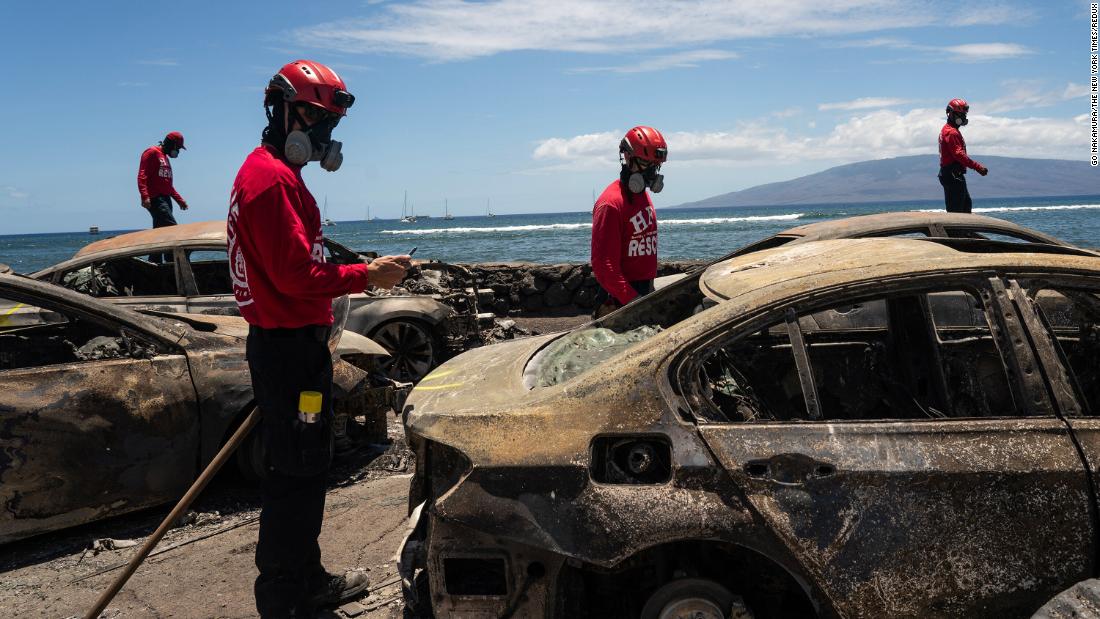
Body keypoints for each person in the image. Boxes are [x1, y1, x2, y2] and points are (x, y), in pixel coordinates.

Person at [226, 59, 411, 619]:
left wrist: (353, 265)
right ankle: (289, 594)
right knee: (297, 471)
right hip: (288, 353)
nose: (323, 132)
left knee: (302, 466)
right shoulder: (271, 180)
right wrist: (368, 278)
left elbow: (299, 259)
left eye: (329, 121)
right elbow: (294, 278)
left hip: (291, 348)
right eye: (312, 116)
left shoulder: (276, 175)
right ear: (281, 112)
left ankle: (303, 578)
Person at [590, 125, 667, 318]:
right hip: (619, 302)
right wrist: (633, 301)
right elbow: (603, 265)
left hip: (643, 291)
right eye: (644, 162)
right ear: (627, 157)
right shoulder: (610, 203)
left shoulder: (642, 196)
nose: (651, 171)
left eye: (655, 165)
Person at [938, 99, 988, 213]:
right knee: (958, 212)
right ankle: (956, 231)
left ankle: (964, 231)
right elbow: (959, 154)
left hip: (951, 174)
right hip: (953, 174)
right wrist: (978, 167)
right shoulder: (952, 132)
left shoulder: (948, 130)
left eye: (964, 114)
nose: (963, 117)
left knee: (965, 206)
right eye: (960, 114)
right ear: (950, 114)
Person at [137, 131, 189, 228]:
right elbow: (142, 175)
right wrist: (145, 196)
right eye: (178, 148)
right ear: (172, 144)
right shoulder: (152, 152)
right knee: (170, 227)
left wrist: (179, 200)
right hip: (155, 198)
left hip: (166, 199)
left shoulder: (165, 158)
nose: (178, 151)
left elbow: (168, 185)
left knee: (160, 229)